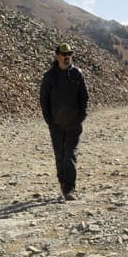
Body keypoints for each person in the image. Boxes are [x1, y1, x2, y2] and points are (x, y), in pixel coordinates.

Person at [39, 42, 89, 200]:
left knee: (70, 155)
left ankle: (69, 189)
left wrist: (81, 117)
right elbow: (43, 100)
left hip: (74, 124)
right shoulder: (50, 76)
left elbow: (84, 98)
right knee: (60, 155)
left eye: (70, 54)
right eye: (64, 54)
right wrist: (49, 121)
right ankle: (62, 183)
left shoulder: (77, 74)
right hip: (56, 125)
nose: (67, 57)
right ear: (57, 56)